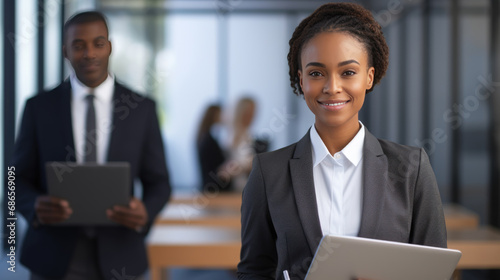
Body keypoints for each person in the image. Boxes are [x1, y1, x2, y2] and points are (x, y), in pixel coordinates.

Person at [237, 3, 446, 280]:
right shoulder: (268, 172)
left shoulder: (411, 169)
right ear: (301, 80)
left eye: (348, 72)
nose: (332, 87)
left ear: (369, 77)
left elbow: (433, 271)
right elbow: (254, 272)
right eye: (316, 73)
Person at [12, 11, 171, 280]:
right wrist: (34, 207)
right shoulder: (38, 108)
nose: (89, 53)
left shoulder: (142, 109)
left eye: (98, 43)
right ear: (65, 51)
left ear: (110, 47)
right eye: (78, 45)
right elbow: (15, 179)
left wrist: (145, 212)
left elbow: (160, 182)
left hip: (122, 254)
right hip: (52, 256)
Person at [196, 104, 232, 192]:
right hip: (213, 187)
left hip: (210, 185)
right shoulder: (208, 140)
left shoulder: (205, 136)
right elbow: (215, 166)